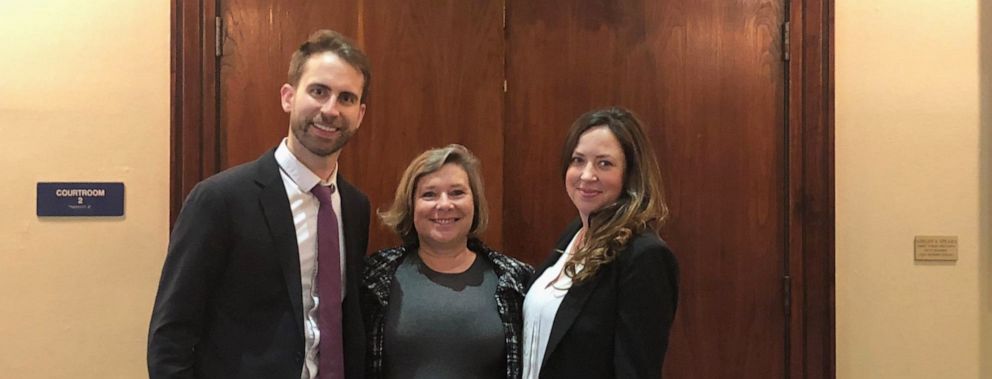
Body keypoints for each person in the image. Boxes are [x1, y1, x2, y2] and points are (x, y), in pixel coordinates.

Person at [148, 30, 372, 379]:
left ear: (359, 114)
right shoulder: (220, 200)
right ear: (288, 96)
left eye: (345, 98)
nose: (330, 109)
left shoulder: (355, 208)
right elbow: (171, 335)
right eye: (318, 91)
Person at [522, 107, 679, 378]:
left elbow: (636, 370)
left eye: (604, 163)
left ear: (630, 174)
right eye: (578, 160)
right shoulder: (575, 233)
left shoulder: (643, 256)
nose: (586, 175)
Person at [362, 144, 533, 379]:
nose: (444, 204)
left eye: (457, 193)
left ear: (475, 203)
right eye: (429, 194)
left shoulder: (516, 280)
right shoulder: (373, 276)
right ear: (411, 206)